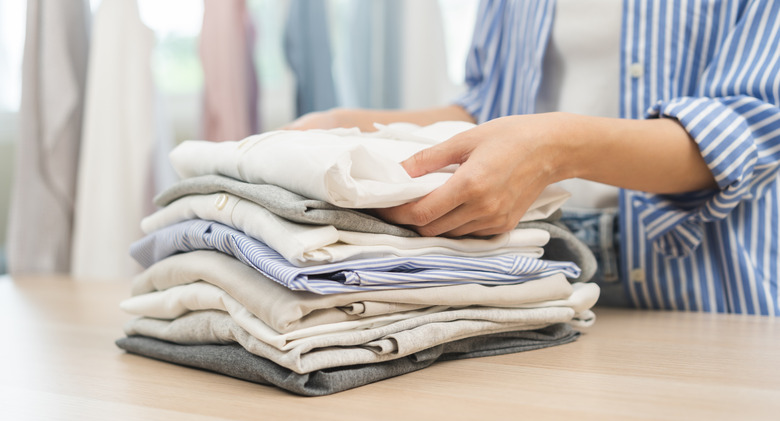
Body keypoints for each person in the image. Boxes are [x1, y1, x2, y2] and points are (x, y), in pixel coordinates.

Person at [286, 0, 780, 316]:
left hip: (704, 287)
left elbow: (754, 125)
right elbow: (489, 108)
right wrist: (347, 125)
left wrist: (557, 148)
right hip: (520, 271)